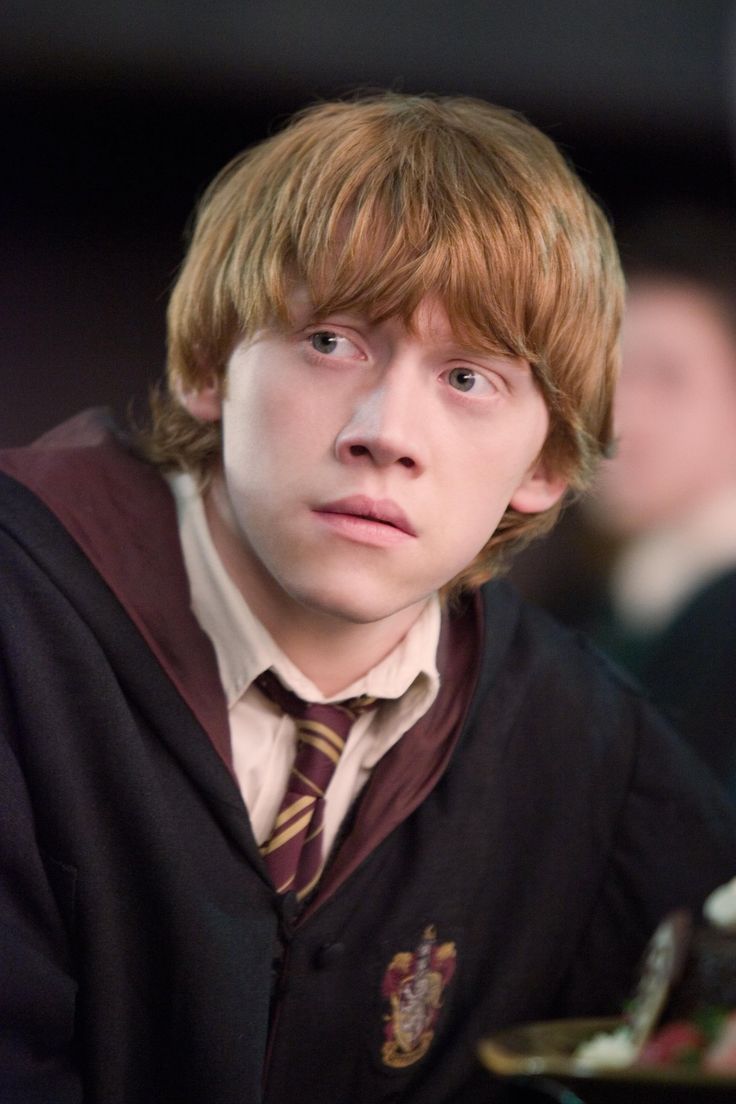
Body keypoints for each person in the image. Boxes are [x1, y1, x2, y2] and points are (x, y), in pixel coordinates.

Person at [1, 94, 735, 1104]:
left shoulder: (587, 749)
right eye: (331, 342)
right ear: (211, 364)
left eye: (469, 378)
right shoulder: (22, 620)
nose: (386, 430)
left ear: (550, 465)